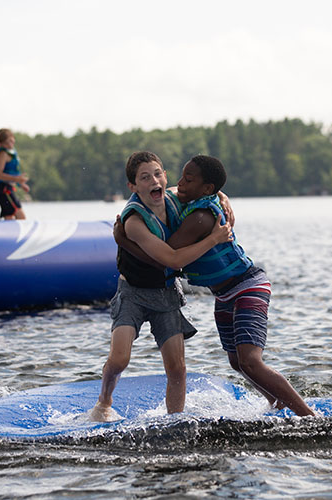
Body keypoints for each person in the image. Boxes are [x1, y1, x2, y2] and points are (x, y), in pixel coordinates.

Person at [115, 155, 315, 417]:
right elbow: (194, 192)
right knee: (237, 362)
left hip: (247, 286)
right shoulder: (195, 202)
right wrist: (223, 194)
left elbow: (167, 259)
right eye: (181, 176)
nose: (179, 183)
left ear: (205, 189)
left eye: (188, 180)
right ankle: (277, 402)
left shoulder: (200, 218)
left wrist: (124, 241)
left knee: (250, 362)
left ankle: (308, 417)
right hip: (224, 295)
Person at [89, 151, 233, 422]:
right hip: (132, 293)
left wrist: (223, 198)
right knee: (120, 359)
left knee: (177, 369)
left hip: (166, 293)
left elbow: (210, 190)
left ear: (165, 177)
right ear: (133, 187)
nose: (153, 180)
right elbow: (172, 259)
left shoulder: (173, 197)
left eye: (158, 174)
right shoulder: (133, 222)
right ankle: (104, 402)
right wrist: (214, 239)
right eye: (144, 178)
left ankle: (174, 420)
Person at [0, 128, 29, 220]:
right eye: (6, 143)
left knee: (11, 217)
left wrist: (21, 184)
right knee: (20, 216)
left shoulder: (12, 152)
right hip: (3, 189)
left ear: (13, 137)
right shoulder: (3, 154)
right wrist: (17, 179)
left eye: (10, 141)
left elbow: (13, 172)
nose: (9, 144)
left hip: (8, 188)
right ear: (0, 144)